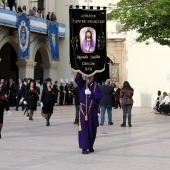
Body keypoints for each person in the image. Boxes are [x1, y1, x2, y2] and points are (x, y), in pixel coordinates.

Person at [75, 72, 102, 154]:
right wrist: (80, 70)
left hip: (93, 110)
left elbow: (99, 96)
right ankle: (84, 147)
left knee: (92, 129)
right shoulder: (82, 84)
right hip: (83, 109)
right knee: (84, 129)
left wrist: (91, 94)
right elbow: (77, 79)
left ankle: (90, 146)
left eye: (91, 77)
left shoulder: (96, 87)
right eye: (88, 76)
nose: (90, 78)